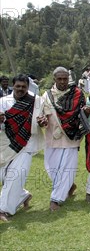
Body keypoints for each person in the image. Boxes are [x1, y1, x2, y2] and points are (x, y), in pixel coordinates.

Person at [40, 67, 90, 211]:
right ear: (54, 79)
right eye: (59, 79)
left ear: (68, 79)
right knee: (52, 169)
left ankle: (55, 200)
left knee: (67, 168)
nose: (62, 82)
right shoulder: (47, 96)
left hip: (71, 136)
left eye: (65, 79)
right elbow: (41, 113)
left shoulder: (78, 94)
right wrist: (42, 119)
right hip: (52, 136)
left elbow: (84, 112)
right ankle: (69, 185)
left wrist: (86, 113)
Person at [0, 74, 43, 222]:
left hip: (26, 144)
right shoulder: (3, 101)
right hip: (6, 144)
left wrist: (41, 121)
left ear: (27, 87)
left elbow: (40, 119)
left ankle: (3, 210)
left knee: (15, 175)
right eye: (18, 86)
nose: (20, 89)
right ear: (13, 85)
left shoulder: (35, 101)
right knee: (4, 176)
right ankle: (23, 195)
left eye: (24, 87)